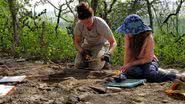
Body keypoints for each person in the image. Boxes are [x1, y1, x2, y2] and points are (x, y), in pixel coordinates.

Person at [116, 14, 185, 82]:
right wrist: (125, 68)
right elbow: (127, 51)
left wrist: (130, 64)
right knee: (133, 72)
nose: (127, 32)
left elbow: (147, 59)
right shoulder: (128, 36)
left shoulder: (148, 37)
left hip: (149, 62)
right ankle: (161, 71)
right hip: (136, 63)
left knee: (150, 75)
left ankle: (176, 76)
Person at [74, 2, 117, 70]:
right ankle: (91, 60)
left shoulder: (100, 23)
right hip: (87, 46)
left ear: (93, 15)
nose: (86, 25)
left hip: (101, 45)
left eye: (88, 22)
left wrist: (109, 54)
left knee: (94, 66)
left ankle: (105, 62)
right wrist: (82, 51)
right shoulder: (79, 25)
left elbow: (113, 42)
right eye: (83, 22)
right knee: (78, 65)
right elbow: (76, 42)